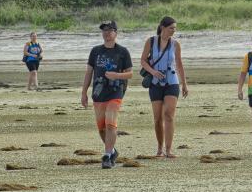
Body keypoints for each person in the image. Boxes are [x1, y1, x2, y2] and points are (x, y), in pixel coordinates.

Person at [81, 21, 133, 169]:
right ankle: (112, 151)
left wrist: (116, 75)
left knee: (111, 124)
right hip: (98, 93)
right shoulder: (96, 51)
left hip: (115, 92)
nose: (106, 33)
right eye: (104, 30)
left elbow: (130, 74)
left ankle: (107, 155)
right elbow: (89, 72)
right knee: (102, 128)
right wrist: (84, 92)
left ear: (115, 33)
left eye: (110, 30)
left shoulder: (122, 52)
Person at [140, 16, 189, 159]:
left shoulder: (175, 44)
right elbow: (143, 60)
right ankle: (159, 148)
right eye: (171, 28)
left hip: (172, 82)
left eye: (175, 28)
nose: (174, 30)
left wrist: (184, 84)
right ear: (163, 27)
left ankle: (169, 149)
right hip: (155, 83)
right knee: (157, 118)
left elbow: (179, 64)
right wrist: (153, 71)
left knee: (168, 115)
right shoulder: (150, 41)